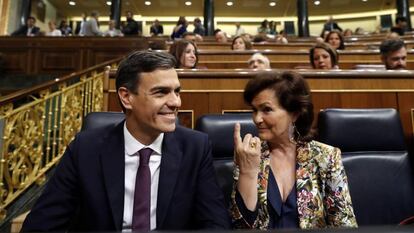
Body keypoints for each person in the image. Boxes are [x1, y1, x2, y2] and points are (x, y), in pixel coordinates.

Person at [21, 50, 230, 231]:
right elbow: (41, 226)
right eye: (161, 92)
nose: (176, 102)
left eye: (177, 91)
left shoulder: (195, 147)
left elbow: (215, 225)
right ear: (126, 97)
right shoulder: (85, 149)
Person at [230, 71, 357, 229]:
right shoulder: (248, 154)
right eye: (254, 110)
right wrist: (248, 172)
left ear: (295, 114)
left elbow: (344, 224)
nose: (257, 119)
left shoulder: (326, 157)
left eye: (266, 110)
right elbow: (241, 226)